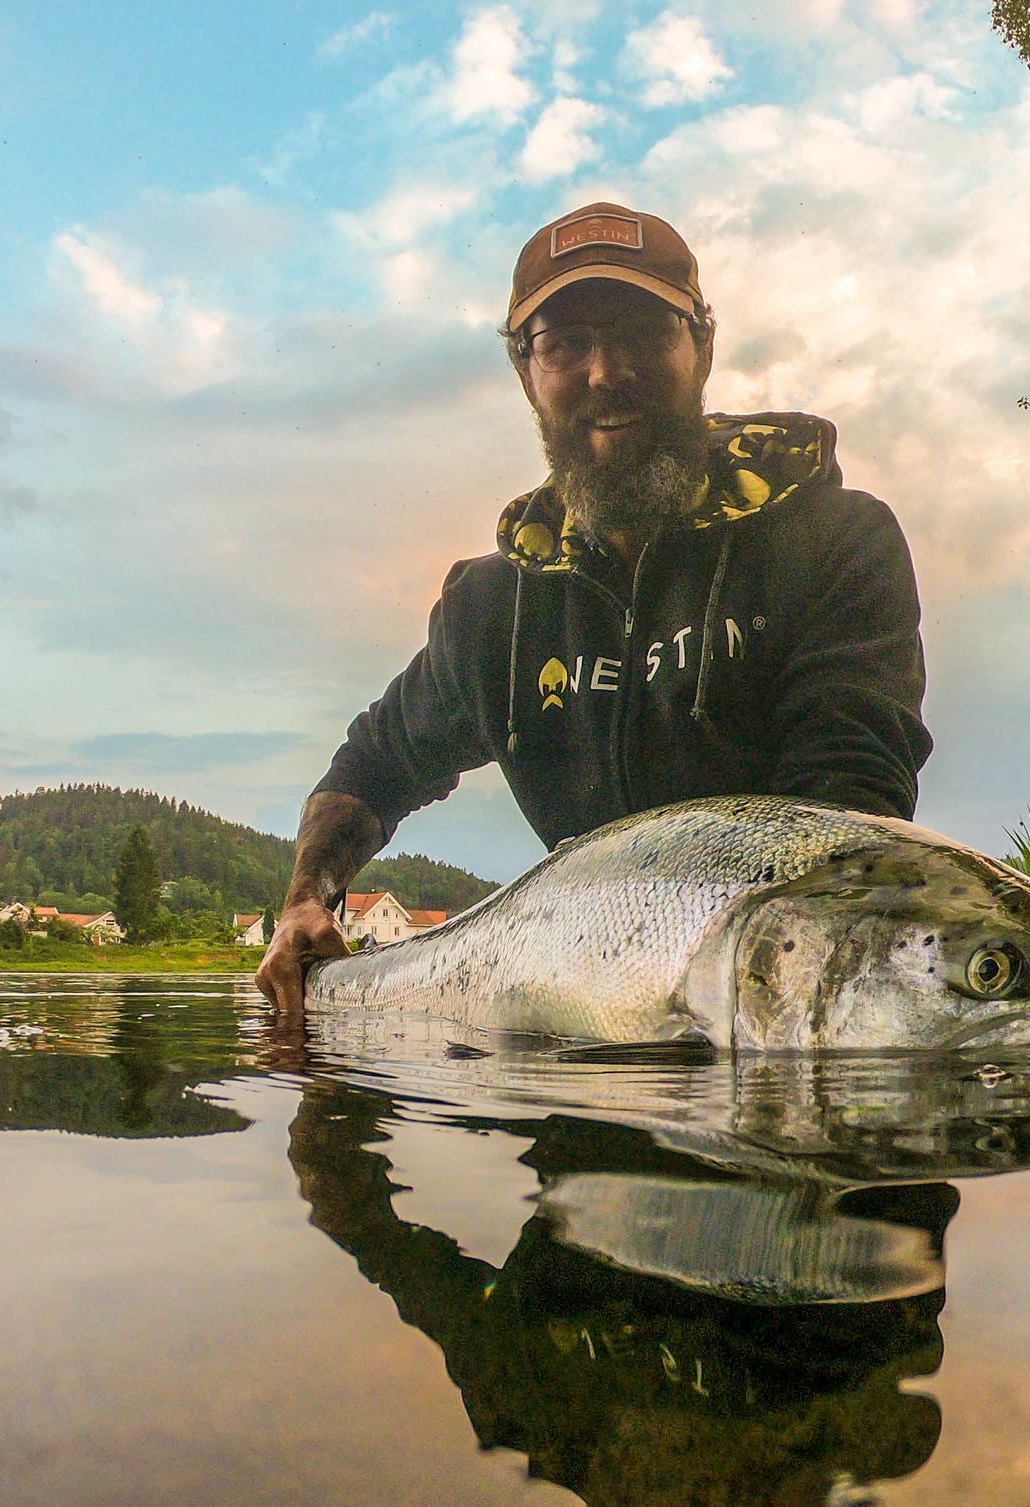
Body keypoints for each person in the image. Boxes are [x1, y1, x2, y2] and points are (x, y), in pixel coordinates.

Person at [257, 202, 932, 1012]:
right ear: (526, 374)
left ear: (703, 346)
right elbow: (370, 768)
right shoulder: (490, 610)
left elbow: (847, 820)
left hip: (765, 995)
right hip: (572, 1007)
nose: (606, 372)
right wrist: (307, 898)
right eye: (566, 343)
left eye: (644, 332)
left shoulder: (836, 541)